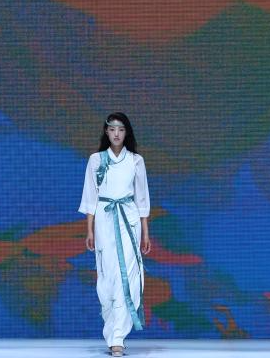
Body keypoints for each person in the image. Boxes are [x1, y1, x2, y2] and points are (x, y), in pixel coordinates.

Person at [79, 112, 152, 357]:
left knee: (128, 277)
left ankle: (118, 336)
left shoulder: (136, 161)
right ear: (106, 132)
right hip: (104, 221)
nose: (117, 134)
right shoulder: (96, 160)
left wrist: (145, 233)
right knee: (107, 277)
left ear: (126, 132)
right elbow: (90, 197)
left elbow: (142, 199)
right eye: (112, 129)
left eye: (121, 129)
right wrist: (89, 230)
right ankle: (111, 330)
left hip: (129, 220)